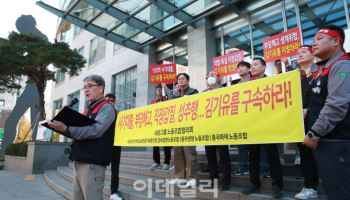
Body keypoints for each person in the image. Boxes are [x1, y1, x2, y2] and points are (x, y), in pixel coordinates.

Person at [48, 75, 116, 200]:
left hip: (92, 164)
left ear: (101, 88)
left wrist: (67, 129)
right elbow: (78, 131)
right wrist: (61, 127)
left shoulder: (107, 108)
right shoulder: (88, 109)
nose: (86, 90)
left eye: (90, 86)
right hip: (79, 161)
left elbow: (97, 130)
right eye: (84, 87)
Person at [303, 25, 350, 200]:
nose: (313, 43)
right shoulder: (322, 70)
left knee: (341, 192)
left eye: (319, 39)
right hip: (326, 142)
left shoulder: (342, 66)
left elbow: (336, 105)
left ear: (336, 41)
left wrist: (314, 132)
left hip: (336, 142)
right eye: (313, 39)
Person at [241, 58, 283, 199]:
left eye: (256, 65)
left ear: (264, 67)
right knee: (253, 156)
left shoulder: (272, 82)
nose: (252, 68)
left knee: (272, 156)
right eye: (251, 66)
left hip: (268, 125)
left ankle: (277, 185)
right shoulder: (246, 86)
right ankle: (254, 183)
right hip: (252, 127)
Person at [292, 45, 319, 200]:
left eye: (304, 52)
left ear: (313, 54)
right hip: (301, 123)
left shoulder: (321, 72)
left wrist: (309, 108)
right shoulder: (296, 78)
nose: (300, 54)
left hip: (321, 122)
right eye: (298, 53)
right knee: (306, 154)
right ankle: (310, 186)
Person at [162, 73, 198, 188]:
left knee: (190, 153)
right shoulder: (176, 94)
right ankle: (179, 177)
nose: (180, 80)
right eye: (179, 79)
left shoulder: (193, 92)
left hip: (189, 127)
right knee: (178, 153)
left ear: (188, 80)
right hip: (177, 128)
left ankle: (192, 178)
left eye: (183, 79)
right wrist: (166, 89)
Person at [203, 71, 231, 191]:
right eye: (208, 77)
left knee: (224, 156)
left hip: (222, 127)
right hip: (209, 128)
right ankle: (212, 179)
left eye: (212, 76)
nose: (210, 78)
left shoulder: (226, 89)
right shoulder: (204, 93)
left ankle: (225, 181)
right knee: (210, 156)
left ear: (218, 78)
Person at [232, 61, 251, 176]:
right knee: (242, 145)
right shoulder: (235, 85)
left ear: (249, 69)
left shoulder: (256, 81)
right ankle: (243, 166)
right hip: (241, 119)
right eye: (238, 67)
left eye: (243, 67)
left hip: (254, 118)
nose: (239, 69)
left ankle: (265, 168)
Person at [104, 93, 123, 200]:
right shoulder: (102, 112)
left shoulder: (119, 114)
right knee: (100, 168)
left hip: (116, 144)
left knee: (115, 169)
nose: (110, 102)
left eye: (112, 101)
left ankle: (114, 192)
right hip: (104, 145)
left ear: (114, 102)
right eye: (108, 100)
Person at [150, 85, 172, 171]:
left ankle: (167, 162)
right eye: (157, 90)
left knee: (166, 145)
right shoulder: (153, 101)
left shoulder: (167, 100)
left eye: (160, 90)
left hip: (165, 125)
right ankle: (157, 162)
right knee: (155, 144)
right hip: (156, 125)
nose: (158, 91)